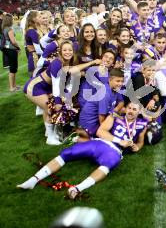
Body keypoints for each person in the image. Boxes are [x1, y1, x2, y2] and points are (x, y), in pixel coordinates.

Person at [17, 102, 149, 199]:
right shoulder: (115, 116)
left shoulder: (142, 124)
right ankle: (33, 180)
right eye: (130, 108)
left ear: (139, 112)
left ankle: (77, 188)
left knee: (109, 164)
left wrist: (137, 146)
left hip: (114, 151)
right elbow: (101, 132)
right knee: (67, 153)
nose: (131, 111)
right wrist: (120, 141)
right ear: (126, 108)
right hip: (100, 143)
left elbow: (141, 141)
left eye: (134, 109)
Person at [24, 41, 101, 145]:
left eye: (70, 50)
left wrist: (92, 64)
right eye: (65, 50)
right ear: (60, 51)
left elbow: (74, 72)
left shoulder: (69, 62)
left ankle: (52, 132)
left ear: (73, 52)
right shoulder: (57, 63)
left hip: (47, 88)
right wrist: (58, 101)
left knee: (54, 107)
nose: (67, 52)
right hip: (35, 87)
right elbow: (56, 86)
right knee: (50, 107)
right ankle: (50, 138)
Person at [2, 13, 20, 91]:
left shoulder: (4, 28)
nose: (13, 20)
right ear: (10, 20)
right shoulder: (9, 29)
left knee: (13, 68)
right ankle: (12, 87)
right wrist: (18, 47)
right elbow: (13, 41)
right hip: (11, 50)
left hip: (6, 49)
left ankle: (14, 86)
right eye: (12, 19)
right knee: (13, 69)